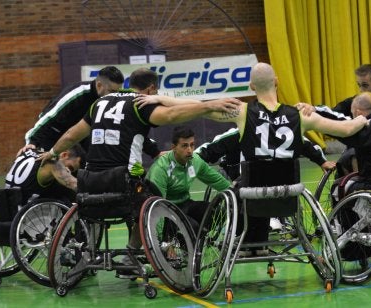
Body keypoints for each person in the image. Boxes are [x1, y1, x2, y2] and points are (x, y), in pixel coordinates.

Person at [142, 62, 368, 256]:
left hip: (252, 195)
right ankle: (258, 243)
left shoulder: (241, 111)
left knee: (233, 190)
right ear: (277, 82)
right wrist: (365, 119)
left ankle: (247, 244)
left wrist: (158, 98)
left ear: (251, 87)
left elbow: (195, 107)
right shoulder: (300, 115)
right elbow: (346, 129)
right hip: (289, 194)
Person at [38, 67, 241, 277]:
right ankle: (130, 256)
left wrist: (52, 152)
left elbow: (71, 135)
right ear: (151, 89)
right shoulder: (139, 104)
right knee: (149, 198)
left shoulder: (98, 104)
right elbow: (171, 114)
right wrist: (208, 107)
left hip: (90, 182)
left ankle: (87, 252)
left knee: (97, 206)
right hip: (122, 181)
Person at [195, 127, 336, 231]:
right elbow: (307, 145)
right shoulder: (284, 131)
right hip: (268, 188)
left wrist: (192, 159)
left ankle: (267, 218)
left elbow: (206, 150)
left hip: (256, 188)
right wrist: (321, 161)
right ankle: (268, 217)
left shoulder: (278, 132)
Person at [18, 65, 161, 159]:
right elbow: (47, 116)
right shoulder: (77, 93)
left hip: (80, 136)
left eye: (117, 91)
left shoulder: (113, 97)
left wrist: (155, 152)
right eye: (111, 91)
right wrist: (32, 141)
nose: (114, 95)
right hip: (51, 135)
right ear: (99, 85)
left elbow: (127, 129)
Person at [310, 64, 371, 175]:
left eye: (365, 85)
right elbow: (331, 112)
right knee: (351, 155)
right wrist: (314, 109)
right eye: (359, 85)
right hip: (360, 149)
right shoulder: (355, 102)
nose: (361, 90)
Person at [146, 126, 231, 231]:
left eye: (192, 145)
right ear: (173, 147)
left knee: (219, 212)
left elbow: (217, 180)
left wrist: (235, 194)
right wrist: (160, 244)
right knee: (192, 227)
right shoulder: (161, 168)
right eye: (184, 146)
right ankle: (184, 239)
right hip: (167, 209)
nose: (189, 150)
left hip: (186, 204)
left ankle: (198, 239)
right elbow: (157, 206)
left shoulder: (195, 161)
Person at [5, 145, 85, 204]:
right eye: (70, 167)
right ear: (64, 155)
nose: (69, 172)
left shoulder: (28, 150)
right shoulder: (52, 163)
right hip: (25, 217)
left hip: (5, 208)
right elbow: (73, 184)